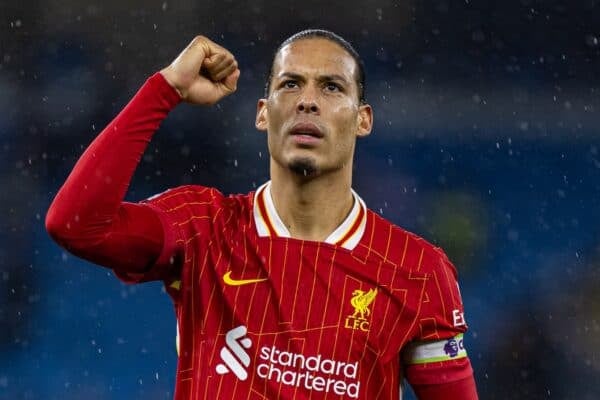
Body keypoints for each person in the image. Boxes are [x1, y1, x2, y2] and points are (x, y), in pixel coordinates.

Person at [46, 29, 478, 399]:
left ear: (363, 120)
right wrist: (165, 89)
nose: (307, 101)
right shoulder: (203, 227)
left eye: (331, 87)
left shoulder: (417, 272)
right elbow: (75, 225)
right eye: (290, 84)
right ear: (262, 113)